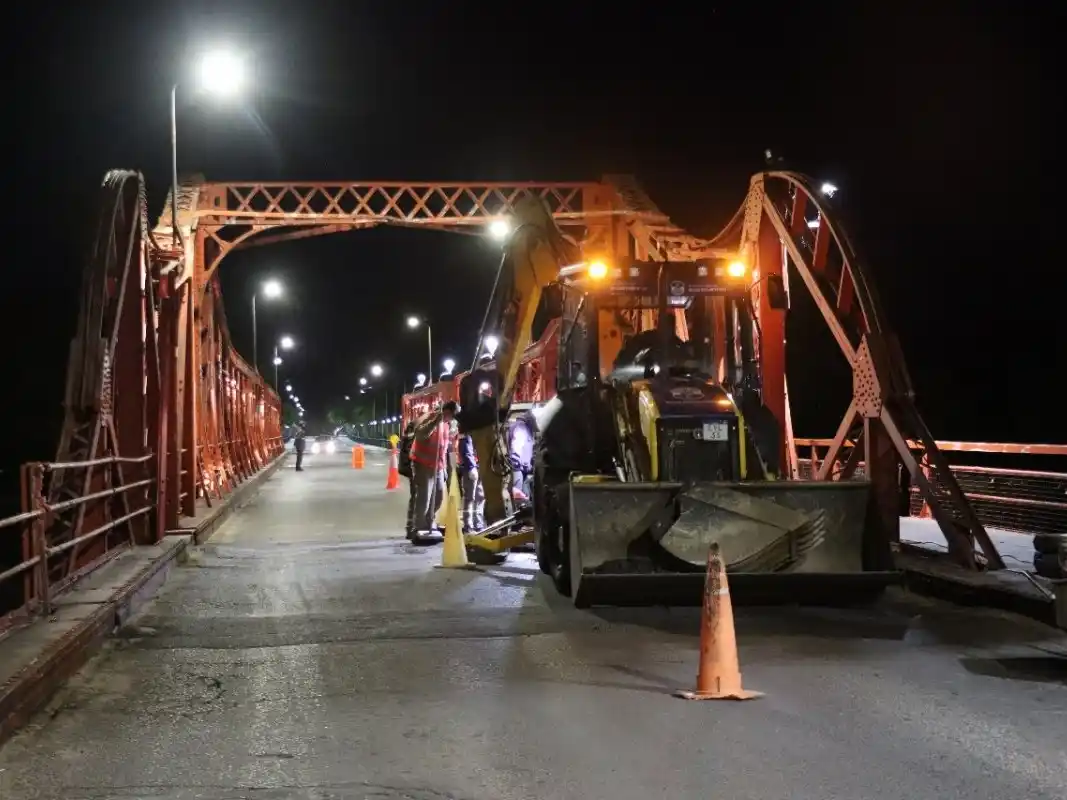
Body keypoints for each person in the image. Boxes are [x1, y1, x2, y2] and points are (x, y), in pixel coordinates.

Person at [409, 401, 457, 538]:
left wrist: (446, 469)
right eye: (451, 415)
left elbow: (444, 447)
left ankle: (430, 521)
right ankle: (419, 526)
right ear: (446, 411)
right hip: (423, 463)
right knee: (424, 496)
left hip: (438, 466)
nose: (452, 419)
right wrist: (436, 422)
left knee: (439, 496)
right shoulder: (431, 418)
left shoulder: (448, 425)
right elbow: (420, 434)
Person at [457, 433, 485, 533]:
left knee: (480, 496)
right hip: (470, 467)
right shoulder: (466, 433)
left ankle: (478, 524)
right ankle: (468, 525)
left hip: (479, 466)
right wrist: (471, 467)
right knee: (470, 497)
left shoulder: (478, 433)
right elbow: (465, 449)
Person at [507, 412, 534, 504]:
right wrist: (516, 465)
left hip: (522, 469)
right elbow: (516, 447)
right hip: (518, 469)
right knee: (520, 499)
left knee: (523, 498)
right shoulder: (521, 428)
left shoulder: (522, 427)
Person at [398, 418, 417, 538]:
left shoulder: (411, 430)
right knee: (416, 498)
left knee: (416, 497)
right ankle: (411, 528)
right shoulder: (412, 433)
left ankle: (411, 527)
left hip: (412, 470)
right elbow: (411, 454)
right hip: (414, 470)